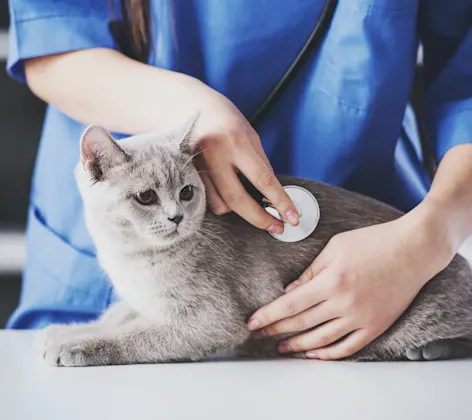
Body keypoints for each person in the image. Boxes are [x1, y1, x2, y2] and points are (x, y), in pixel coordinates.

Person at [6, 0, 472, 360]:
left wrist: (432, 234)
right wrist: (184, 108)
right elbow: (52, 36)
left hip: (367, 259)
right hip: (114, 229)